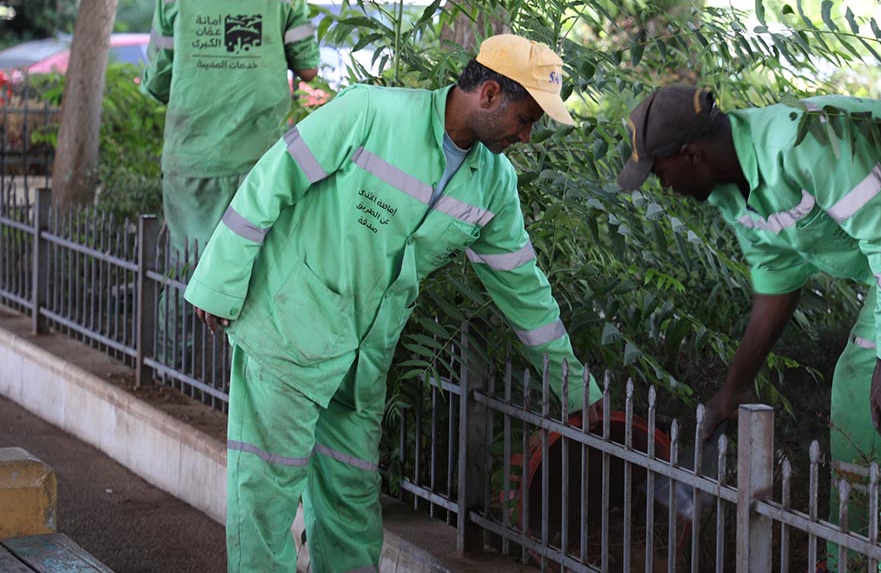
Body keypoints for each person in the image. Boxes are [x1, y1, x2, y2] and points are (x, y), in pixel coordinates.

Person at [184, 34, 600, 572]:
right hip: (289, 329)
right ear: (491, 93)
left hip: (360, 362)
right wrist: (218, 283)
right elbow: (271, 181)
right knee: (265, 498)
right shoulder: (370, 112)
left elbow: (524, 292)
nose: (526, 135)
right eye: (526, 118)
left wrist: (578, 393)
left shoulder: (493, 185)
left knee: (351, 505)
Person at [617, 85, 881, 556]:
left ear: (690, 155)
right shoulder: (731, 194)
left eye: (658, 174)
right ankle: (846, 560)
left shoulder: (801, 143)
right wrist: (734, 388)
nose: (663, 186)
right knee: (854, 386)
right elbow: (777, 281)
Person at [141, 0, 320, 366]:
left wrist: (191, 95)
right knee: (255, 267)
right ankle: (239, 377)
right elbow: (308, 69)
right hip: (261, 161)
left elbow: (157, 78)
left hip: (192, 155)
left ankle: (173, 368)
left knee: (187, 263)